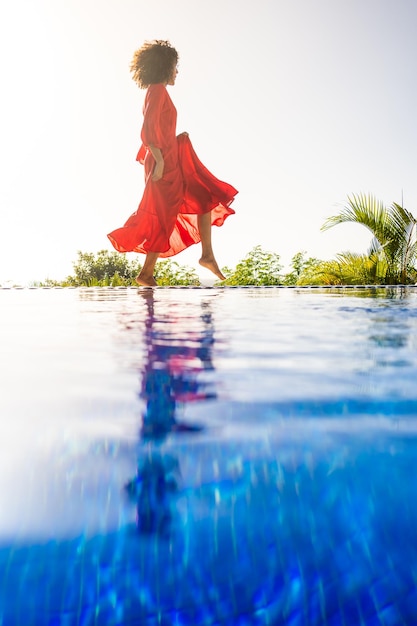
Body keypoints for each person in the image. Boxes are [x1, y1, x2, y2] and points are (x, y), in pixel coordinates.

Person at [107, 40, 238, 287]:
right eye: (175, 66)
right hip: (163, 161)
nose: (177, 72)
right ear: (165, 66)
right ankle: (146, 273)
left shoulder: (158, 91)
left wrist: (175, 143)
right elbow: (148, 127)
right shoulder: (157, 90)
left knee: (203, 194)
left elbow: (158, 126)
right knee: (163, 215)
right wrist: (158, 160)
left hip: (168, 156)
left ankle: (207, 255)